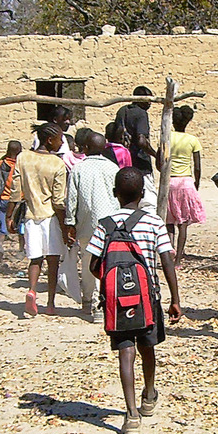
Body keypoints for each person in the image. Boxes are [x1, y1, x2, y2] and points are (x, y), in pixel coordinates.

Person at [87, 167, 183, 434]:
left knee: (125, 352)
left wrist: (110, 283)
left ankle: (130, 416)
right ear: (143, 194)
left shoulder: (105, 224)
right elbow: (166, 261)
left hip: (117, 302)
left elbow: (94, 263)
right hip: (147, 297)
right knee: (147, 346)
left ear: (115, 193)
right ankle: (149, 394)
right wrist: (175, 299)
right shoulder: (154, 222)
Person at [11, 123, 68, 316]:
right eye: (60, 139)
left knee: (35, 259)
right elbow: (59, 201)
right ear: (50, 140)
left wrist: (10, 216)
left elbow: (15, 190)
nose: (62, 143)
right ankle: (51, 303)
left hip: (30, 216)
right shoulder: (57, 164)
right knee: (53, 261)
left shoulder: (23, 157)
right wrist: (64, 226)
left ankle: (32, 290)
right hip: (50, 217)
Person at [65, 131, 121, 322]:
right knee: (106, 263)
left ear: (85, 148)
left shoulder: (78, 170)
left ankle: (92, 302)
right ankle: (97, 302)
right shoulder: (113, 168)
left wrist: (70, 223)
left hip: (87, 225)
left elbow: (71, 200)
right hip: (111, 225)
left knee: (89, 262)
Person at [158, 105, 206, 265]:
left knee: (169, 221)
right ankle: (179, 259)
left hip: (169, 182)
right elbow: (197, 166)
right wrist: (196, 183)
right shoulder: (193, 140)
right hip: (186, 182)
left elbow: (160, 162)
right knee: (183, 223)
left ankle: (169, 255)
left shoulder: (167, 137)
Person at [115, 86, 159, 209]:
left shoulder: (122, 111)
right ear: (140, 99)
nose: (149, 103)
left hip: (123, 163)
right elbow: (141, 140)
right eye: (147, 100)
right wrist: (155, 154)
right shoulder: (141, 114)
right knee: (148, 203)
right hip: (140, 163)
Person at [0, 140, 22, 262]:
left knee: (3, 224)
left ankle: (0, 247)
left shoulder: (3, 163)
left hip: (3, 198)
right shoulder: (21, 164)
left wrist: (3, 158)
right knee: (19, 224)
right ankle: (21, 249)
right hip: (17, 199)